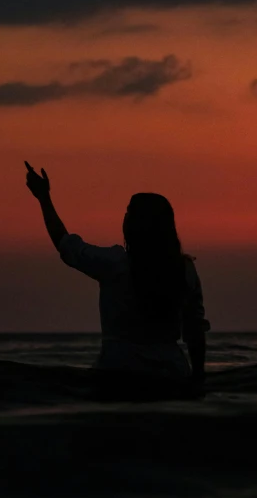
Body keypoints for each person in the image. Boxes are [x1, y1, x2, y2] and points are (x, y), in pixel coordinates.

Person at [24, 160, 210, 401]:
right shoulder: (185, 270)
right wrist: (198, 378)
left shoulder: (115, 264)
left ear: (131, 224)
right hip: (172, 374)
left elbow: (65, 244)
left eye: (128, 212)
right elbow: (195, 332)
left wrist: (43, 198)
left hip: (118, 373)